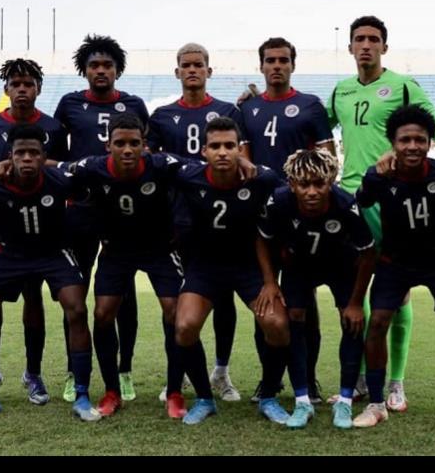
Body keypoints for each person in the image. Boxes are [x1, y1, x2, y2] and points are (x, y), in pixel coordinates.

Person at [325, 15, 435, 411]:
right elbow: (315, 124)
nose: (366, 45)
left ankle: (396, 383)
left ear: (384, 47)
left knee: (397, 289)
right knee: (356, 292)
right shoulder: (340, 90)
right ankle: (359, 379)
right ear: (350, 47)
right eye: (360, 39)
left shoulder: (404, 86)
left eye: (374, 39)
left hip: (392, 197)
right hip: (352, 197)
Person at [0, 123, 99, 422]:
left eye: (34, 152)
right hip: (8, 254)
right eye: (21, 153)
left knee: (77, 308)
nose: (27, 158)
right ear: (10, 156)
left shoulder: (60, 180)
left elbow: (90, 192)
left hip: (53, 252)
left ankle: (82, 396)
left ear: (44, 156)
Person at [354, 105, 435, 430]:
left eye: (420, 140)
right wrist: (375, 173)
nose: (412, 146)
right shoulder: (380, 175)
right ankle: (376, 404)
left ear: (429, 142)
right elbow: (362, 200)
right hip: (394, 261)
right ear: (393, 143)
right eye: (405, 140)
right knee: (377, 322)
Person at [62, 114, 189, 419]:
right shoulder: (92, 167)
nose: (128, 149)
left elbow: (200, 169)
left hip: (160, 249)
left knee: (174, 311)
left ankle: (174, 392)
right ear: (109, 146)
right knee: (102, 314)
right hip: (116, 251)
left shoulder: (161, 165)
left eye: (134, 143)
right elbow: (56, 170)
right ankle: (111, 391)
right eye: (120, 143)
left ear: (145, 145)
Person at [0, 58, 67, 405]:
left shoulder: (53, 128)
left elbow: (64, 171)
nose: (22, 89)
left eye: (28, 84)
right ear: (6, 89)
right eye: (15, 84)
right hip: (0, 225)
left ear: (38, 89)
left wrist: (34, 165)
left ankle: (33, 373)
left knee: (33, 297)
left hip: (38, 227)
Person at [147, 43, 247, 403]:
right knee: (177, 302)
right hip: (179, 221)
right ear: (177, 72)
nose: (192, 70)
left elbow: (243, 160)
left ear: (209, 70)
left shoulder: (228, 112)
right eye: (186, 65)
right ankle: (178, 374)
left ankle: (221, 371)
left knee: (224, 297)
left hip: (222, 218)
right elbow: (152, 163)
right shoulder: (161, 116)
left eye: (198, 65)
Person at [171, 116, 288, 425]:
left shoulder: (262, 179)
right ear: (204, 151)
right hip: (205, 267)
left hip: (249, 267)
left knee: (277, 324)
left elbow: (291, 201)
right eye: (215, 146)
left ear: (240, 149)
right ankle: (204, 399)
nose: (222, 152)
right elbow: (155, 161)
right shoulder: (188, 176)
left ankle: (269, 397)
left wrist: (271, 280)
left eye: (229, 146)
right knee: (184, 327)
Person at [239, 37, 335, 404]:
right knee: (263, 303)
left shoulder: (310, 105)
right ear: (261, 66)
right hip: (261, 218)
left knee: (303, 304)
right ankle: (270, 381)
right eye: (270, 60)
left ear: (293, 64)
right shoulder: (247, 109)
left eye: (283, 60)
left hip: (301, 219)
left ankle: (308, 380)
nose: (276, 65)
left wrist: (305, 196)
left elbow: (328, 164)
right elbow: (245, 165)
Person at [55, 34, 149, 403]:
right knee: (74, 295)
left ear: (117, 70)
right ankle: (73, 371)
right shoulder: (69, 104)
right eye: (94, 65)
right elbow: (56, 157)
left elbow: (146, 151)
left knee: (123, 294)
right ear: (84, 69)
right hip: (80, 211)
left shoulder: (134, 104)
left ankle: (124, 371)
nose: (100, 70)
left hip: (122, 212)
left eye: (107, 65)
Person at [256, 148, 376, 429]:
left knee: (351, 321)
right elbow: (262, 239)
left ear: (331, 181)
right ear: (291, 184)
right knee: (294, 317)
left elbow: (369, 253)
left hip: (341, 265)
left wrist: (356, 303)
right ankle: (302, 401)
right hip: (299, 265)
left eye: (319, 184)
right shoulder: (279, 201)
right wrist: (270, 282)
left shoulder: (345, 205)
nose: (311, 191)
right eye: (304, 184)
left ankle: (344, 402)